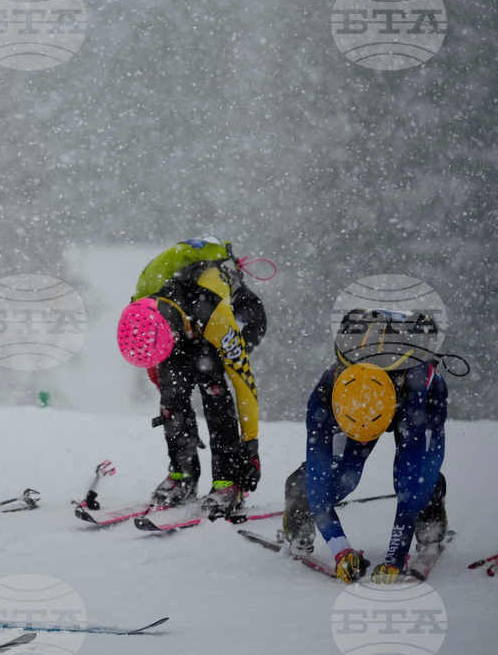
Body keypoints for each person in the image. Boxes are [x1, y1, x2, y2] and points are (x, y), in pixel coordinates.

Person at [282, 307, 451, 583]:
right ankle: (296, 507)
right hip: (364, 401)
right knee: (338, 479)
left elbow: (411, 478)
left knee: (417, 480)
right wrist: (340, 549)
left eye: (366, 431)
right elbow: (319, 481)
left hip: (415, 405)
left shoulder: (418, 391)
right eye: (354, 430)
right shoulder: (325, 397)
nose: (361, 438)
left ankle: (431, 523)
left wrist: (395, 558)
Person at [116, 235, 267, 520]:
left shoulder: (215, 316)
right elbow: (156, 367)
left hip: (238, 315)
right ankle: (182, 475)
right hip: (184, 322)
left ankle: (227, 482)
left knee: (213, 385)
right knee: (172, 391)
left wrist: (251, 446)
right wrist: (175, 414)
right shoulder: (143, 305)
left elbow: (244, 384)